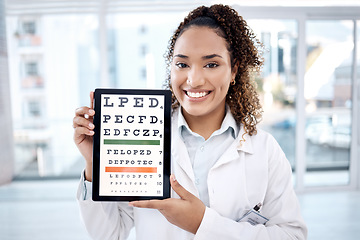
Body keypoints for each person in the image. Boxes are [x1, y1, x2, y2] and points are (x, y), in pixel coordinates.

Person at [73, 4, 307, 240]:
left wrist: (202, 224)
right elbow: (108, 234)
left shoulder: (264, 151)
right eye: (182, 64)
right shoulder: (142, 140)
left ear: (234, 70)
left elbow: (292, 235)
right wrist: (95, 163)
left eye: (211, 64)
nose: (193, 80)